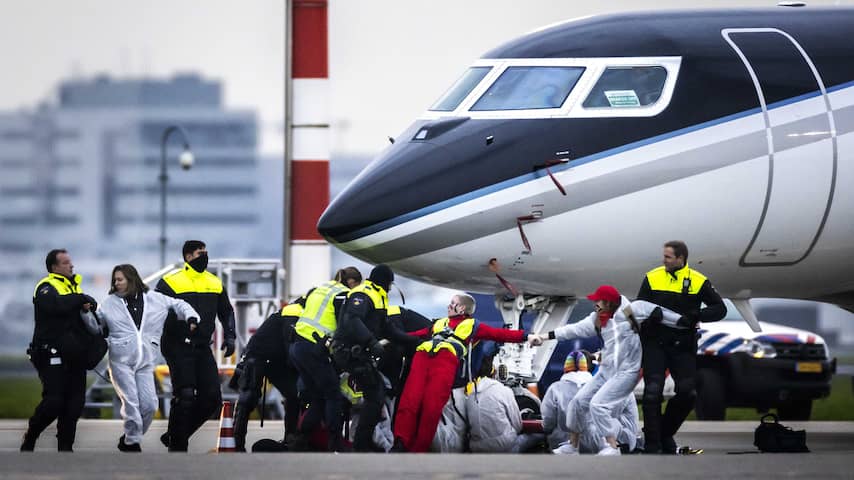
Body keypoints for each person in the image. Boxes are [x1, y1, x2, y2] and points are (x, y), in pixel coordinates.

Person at [530, 285, 673, 456]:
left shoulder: (632, 314)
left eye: (599, 301)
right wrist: (545, 337)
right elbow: (572, 330)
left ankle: (613, 447)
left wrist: (686, 324)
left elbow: (667, 316)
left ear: (609, 303)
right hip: (607, 374)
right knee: (577, 404)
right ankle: (573, 446)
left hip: (625, 377)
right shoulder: (597, 320)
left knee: (598, 406)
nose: (595, 304)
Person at [392, 293, 537, 453]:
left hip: (444, 362)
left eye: (452, 303)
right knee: (409, 400)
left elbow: (499, 334)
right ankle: (401, 442)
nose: (448, 306)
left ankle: (418, 448)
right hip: (423, 357)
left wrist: (526, 336)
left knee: (431, 408)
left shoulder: (473, 326)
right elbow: (417, 334)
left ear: (462, 308)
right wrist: (390, 336)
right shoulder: (439, 323)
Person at [95, 264, 199, 452]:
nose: (116, 283)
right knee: (131, 402)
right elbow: (96, 325)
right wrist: (86, 313)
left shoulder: (155, 299)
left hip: (146, 361)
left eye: (120, 279)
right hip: (120, 361)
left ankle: (129, 438)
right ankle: (133, 442)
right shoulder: (109, 303)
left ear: (131, 278)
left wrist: (191, 317)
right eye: (115, 280)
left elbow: (179, 304)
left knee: (151, 405)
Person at [636, 240, 726, 454]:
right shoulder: (652, 277)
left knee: (688, 393)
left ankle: (664, 434)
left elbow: (719, 309)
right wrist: (651, 316)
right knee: (652, 393)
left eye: (668, 256)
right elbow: (638, 308)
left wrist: (697, 315)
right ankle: (652, 444)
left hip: (682, 346)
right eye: (664, 255)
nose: (663, 260)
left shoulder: (697, 280)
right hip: (655, 343)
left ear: (680, 258)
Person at [156, 240, 237, 452]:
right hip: (177, 345)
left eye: (206, 252)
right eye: (200, 253)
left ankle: (175, 435)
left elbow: (226, 311)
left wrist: (230, 337)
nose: (205, 256)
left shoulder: (214, 282)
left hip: (202, 347)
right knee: (185, 396)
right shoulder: (170, 282)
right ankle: (178, 446)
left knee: (211, 399)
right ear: (188, 256)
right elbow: (156, 312)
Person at [21, 249, 97, 452]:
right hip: (50, 353)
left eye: (70, 262)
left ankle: (65, 448)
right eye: (65, 263)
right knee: (54, 401)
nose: (71, 266)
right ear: (54, 267)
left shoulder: (73, 288)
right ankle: (31, 436)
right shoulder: (46, 287)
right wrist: (81, 298)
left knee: (75, 403)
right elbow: (56, 306)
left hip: (74, 354)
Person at [289, 267, 362, 452]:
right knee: (333, 395)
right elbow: (344, 325)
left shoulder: (321, 288)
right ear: (352, 282)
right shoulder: (343, 294)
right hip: (314, 347)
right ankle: (335, 442)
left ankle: (300, 439)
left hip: (297, 347)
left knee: (318, 398)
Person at [332, 264, 399, 452]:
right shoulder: (363, 293)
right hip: (348, 352)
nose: (390, 288)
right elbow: (352, 319)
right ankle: (360, 445)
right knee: (374, 395)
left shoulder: (379, 296)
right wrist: (372, 343)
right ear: (384, 281)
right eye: (390, 284)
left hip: (358, 354)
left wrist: (413, 340)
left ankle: (361, 443)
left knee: (374, 395)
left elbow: (387, 328)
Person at [230, 296, 305, 452]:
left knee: (294, 395)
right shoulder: (293, 311)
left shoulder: (299, 311)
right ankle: (236, 444)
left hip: (277, 361)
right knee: (248, 398)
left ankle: (290, 440)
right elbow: (289, 343)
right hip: (258, 357)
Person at [463, 354, 524, 453]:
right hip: (504, 446)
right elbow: (518, 426)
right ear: (494, 371)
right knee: (537, 437)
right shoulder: (503, 391)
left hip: (477, 448)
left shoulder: (470, 396)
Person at [541, 350, 596, 452]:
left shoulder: (555, 388)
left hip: (560, 445)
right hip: (594, 445)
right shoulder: (598, 388)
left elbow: (548, 422)